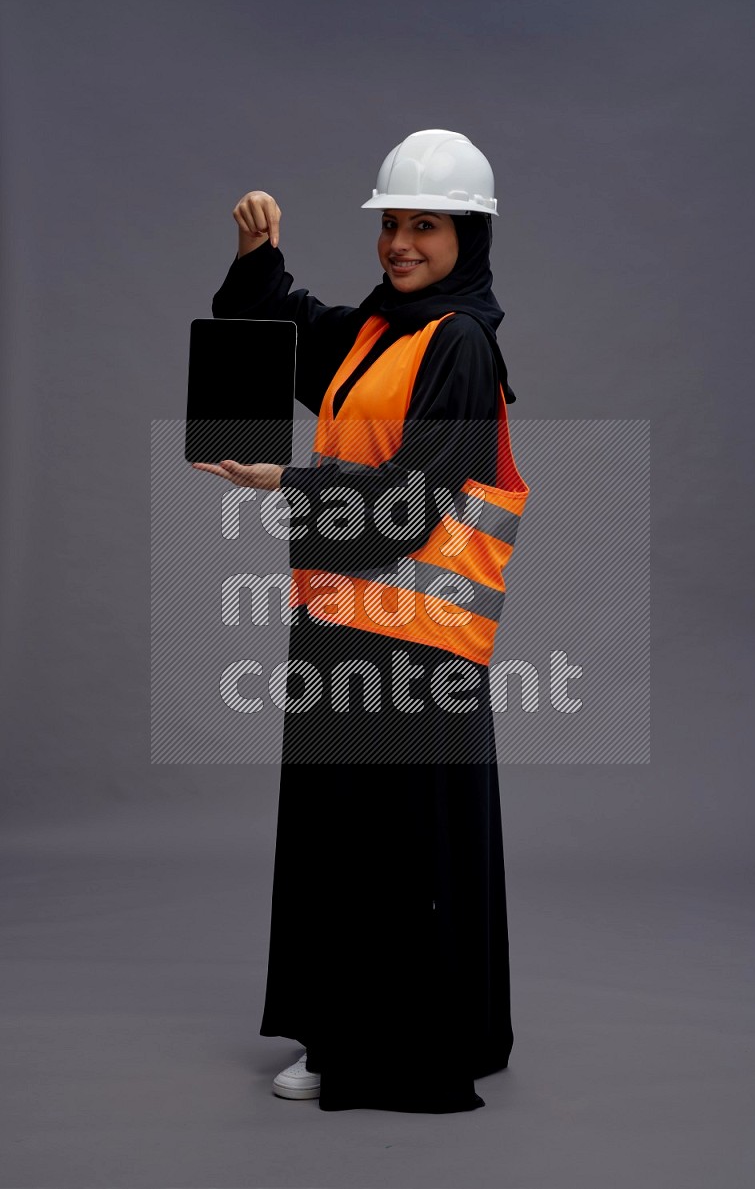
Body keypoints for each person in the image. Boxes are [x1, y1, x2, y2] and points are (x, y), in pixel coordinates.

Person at [194, 129, 529, 1113]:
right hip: (341, 624)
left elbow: (413, 498)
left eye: (424, 225)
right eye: (391, 223)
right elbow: (283, 326)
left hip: (418, 645)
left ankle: (392, 1045)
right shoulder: (378, 331)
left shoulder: (460, 342)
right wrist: (259, 259)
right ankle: (349, 1026)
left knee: (396, 851)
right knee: (339, 842)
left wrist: (280, 481)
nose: (400, 243)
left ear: (466, 236)